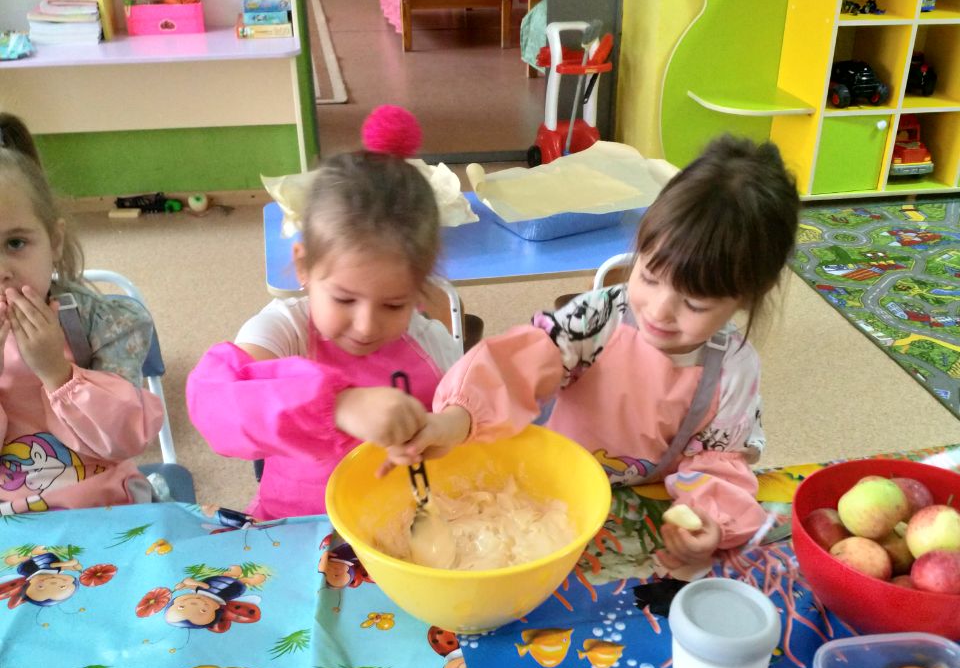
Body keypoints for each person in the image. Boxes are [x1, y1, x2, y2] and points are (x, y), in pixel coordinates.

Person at [391, 136, 800, 563]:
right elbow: (519, 365)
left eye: (695, 304)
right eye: (649, 277)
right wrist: (457, 418)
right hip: (549, 492)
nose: (659, 311)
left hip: (646, 503)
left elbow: (718, 461)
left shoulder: (732, 370)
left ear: (746, 298)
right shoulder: (601, 318)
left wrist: (709, 520)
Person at [186, 149, 461, 519]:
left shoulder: (432, 346)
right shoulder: (285, 331)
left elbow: (477, 414)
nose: (366, 325)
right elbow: (213, 402)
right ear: (304, 266)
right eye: (344, 299)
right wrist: (338, 406)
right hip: (293, 525)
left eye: (395, 305)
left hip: (398, 526)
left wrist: (448, 426)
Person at [0, 147, 163, 513]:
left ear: (55, 242)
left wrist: (57, 373)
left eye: (15, 243)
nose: (2, 271)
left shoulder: (101, 323)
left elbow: (124, 440)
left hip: (103, 505)